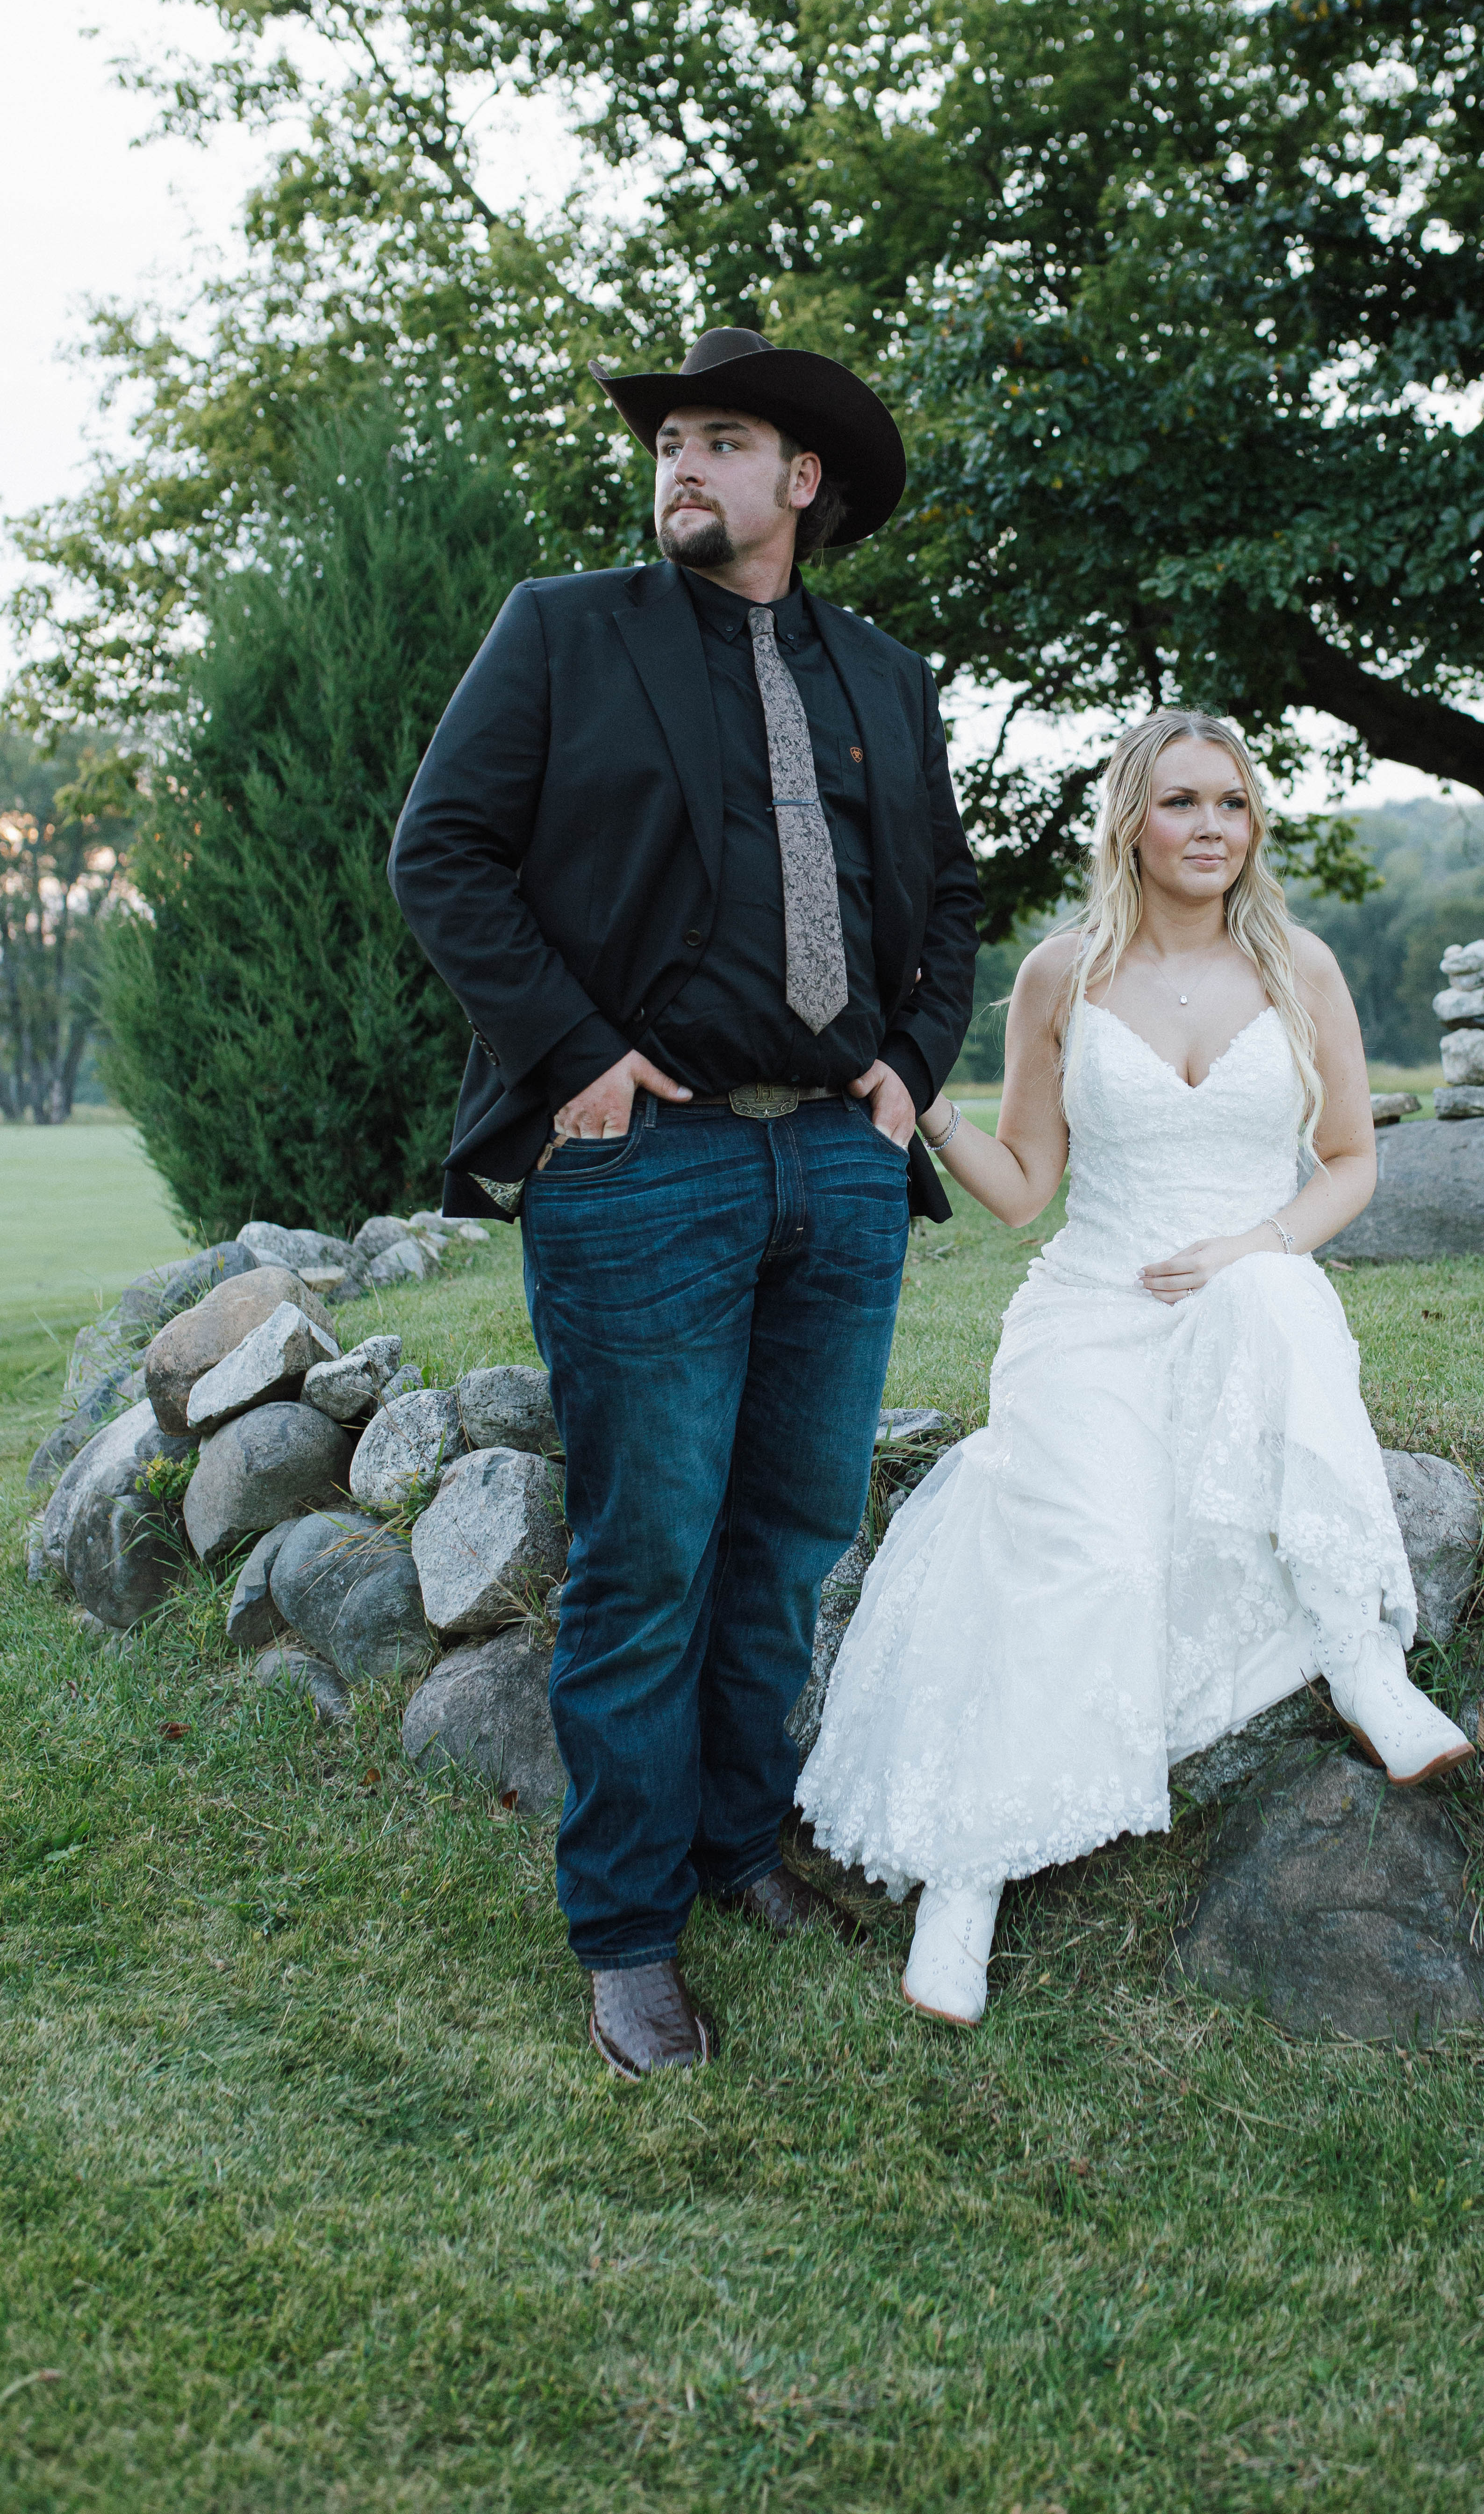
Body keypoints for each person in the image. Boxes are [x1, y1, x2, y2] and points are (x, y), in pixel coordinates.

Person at [389, 327, 983, 2078]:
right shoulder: (564, 632)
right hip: (648, 1163)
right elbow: (444, 853)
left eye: (723, 444)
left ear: (802, 482)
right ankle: (629, 1929)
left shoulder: (883, 674)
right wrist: (575, 1043)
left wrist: (912, 1067)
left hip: (842, 1167)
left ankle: (739, 1846)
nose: (681, 469)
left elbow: (942, 900)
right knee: (647, 1552)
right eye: (669, 444)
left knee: (790, 1538)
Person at [797, 709, 1472, 2025]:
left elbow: (1351, 1163)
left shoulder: (1302, 969)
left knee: (1280, 1298)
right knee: (1090, 1558)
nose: (1212, 828)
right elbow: (1025, 1189)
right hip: (1093, 1313)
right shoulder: (1062, 974)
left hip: (1248, 1297)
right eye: (1183, 804)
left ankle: (1362, 1662)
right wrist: (929, 1106)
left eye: (1231, 803)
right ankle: (968, 1879)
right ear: (1132, 821)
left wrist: (1255, 1242)